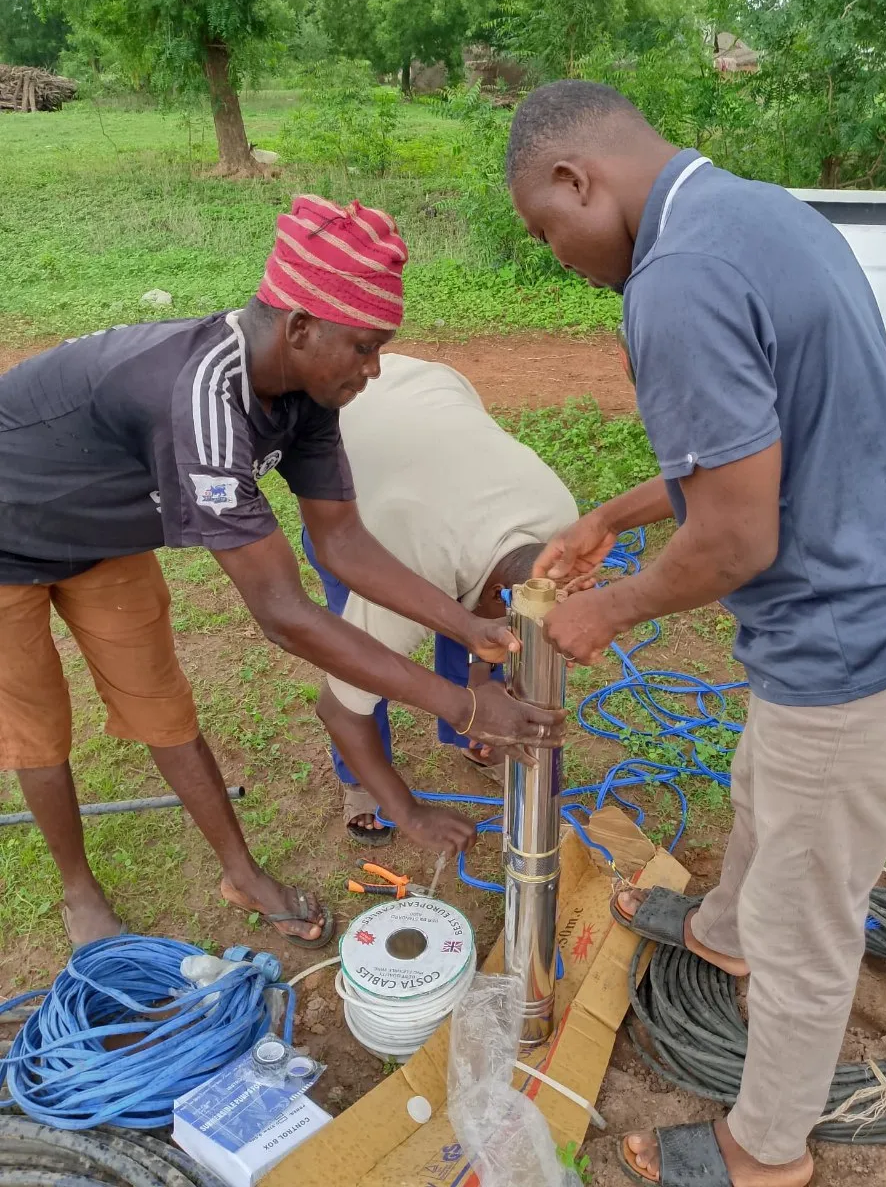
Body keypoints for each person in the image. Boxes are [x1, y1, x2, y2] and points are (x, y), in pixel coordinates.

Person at [506, 81, 886, 1187]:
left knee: (810, 923)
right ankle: (720, 927)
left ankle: (766, 1151)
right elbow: (766, 441)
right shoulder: (762, 213)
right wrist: (615, 514)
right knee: (765, 785)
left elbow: (738, 536)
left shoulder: (679, 280)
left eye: (544, 231)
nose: (557, 256)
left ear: (578, 180)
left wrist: (602, 611)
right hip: (876, 595)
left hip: (860, 640)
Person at [0, 195, 563, 952]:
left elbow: (344, 545)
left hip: (101, 538)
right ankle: (77, 889)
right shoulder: (202, 399)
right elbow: (282, 613)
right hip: (9, 533)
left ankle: (241, 872)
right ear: (299, 327)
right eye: (364, 347)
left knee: (163, 709)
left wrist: (469, 627)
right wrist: (462, 705)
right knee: (38, 730)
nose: (375, 367)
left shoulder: (307, 391)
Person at [303, 352, 578, 848]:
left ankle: (472, 733)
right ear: (499, 591)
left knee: (483, 621)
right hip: (354, 443)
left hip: (435, 395)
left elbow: (490, 611)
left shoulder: (563, 528)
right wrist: (409, 812)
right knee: (356, 655)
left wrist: (479, 680)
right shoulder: (398, 562)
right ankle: (362, 781)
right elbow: (335, 708)